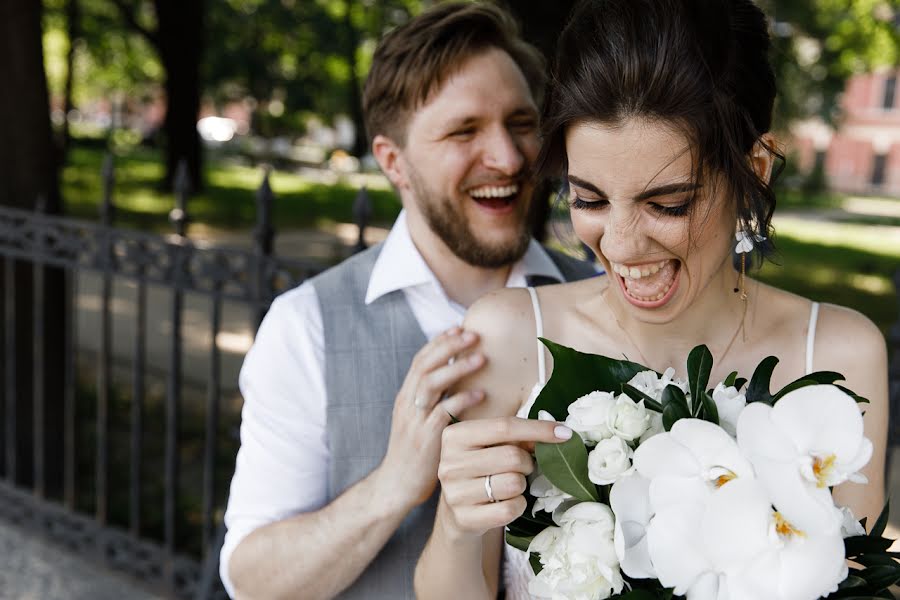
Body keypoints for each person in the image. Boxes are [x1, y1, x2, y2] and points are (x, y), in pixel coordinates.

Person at [415, 0, 890, 598]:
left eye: (667, 204)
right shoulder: (507, 339)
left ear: (757, 168)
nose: (618, 244)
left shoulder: (841, 353)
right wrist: (459, 524)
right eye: (588, 199)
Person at [219, 3, 597, 599]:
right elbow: (253, 581)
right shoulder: (307, 327)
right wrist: (392, 485)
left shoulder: (599, 298)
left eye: (521, 123)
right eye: (464, 130)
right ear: (394, 161)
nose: (509, 157)